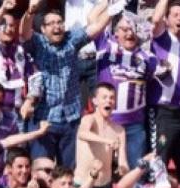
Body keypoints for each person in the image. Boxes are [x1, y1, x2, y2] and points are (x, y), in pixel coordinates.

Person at [20, 0, 113, 167]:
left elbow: (96, 27)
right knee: (42, 169)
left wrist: (112, 10)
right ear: (43, 29)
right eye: (51, 24)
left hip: (70, 119)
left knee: (68, 172)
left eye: (59, 22)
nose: (57, 27)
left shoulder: (71, 39)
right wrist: (30, 12)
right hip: (44, 119)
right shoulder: (38, 43)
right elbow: (24, 33)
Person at [95, 13, 159, 165]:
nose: (129, 33)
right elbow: (93, 21)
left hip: (134, 126)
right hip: (106, 122)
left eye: (133, 29)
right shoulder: (106, 46)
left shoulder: (148, 57)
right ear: (116, 32)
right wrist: (109, 9)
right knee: (103, 170)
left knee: (135, 172)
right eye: (124, 29)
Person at [149, 0, 180, 184]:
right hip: (162, 111)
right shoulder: (161, 37)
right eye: (175, 15)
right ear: (167, 20)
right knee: (160, 161)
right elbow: (155, 20)